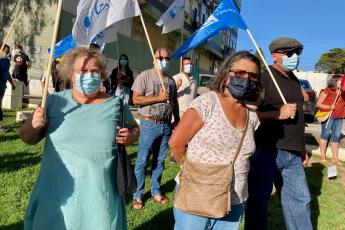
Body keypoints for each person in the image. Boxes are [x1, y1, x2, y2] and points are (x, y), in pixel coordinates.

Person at [20, 48, 139, 230]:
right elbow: (27, 138)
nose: (89, 75)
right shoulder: (52, 102)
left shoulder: (116, 105)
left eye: (94, 71)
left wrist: (131, 136)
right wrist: (34, 125)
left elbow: (134, 129)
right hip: (55, 195)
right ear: (71, 75)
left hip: (99, 198)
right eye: (82, 71)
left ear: (102, 74)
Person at [169, 51, 261, 229]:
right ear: (226, 75)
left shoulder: (252, 116)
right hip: (198, 194)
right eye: (240, 73)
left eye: (253, 76)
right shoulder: (207, 103)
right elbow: (176, 143)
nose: (246, 79)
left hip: (235, 199)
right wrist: (191, 170)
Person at [245, 36, 313, 230]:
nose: (295, 57)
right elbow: (248, 113)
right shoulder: (264, 77)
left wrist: (301, 149)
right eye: (290, 53)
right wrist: (277, 114)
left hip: (292, 154)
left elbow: (298, 120)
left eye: (297, 53)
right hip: (266, 151)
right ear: (275, 56)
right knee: (258, 203)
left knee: (301, 202)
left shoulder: (293, 80)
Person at [131, 47, 180, 209]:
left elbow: (174, 101)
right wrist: (157, 98)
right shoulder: (144, 76)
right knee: (142, 160)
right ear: (154, 60)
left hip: (165, 125)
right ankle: (137, 194)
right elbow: (136, 99)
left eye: (167, 59)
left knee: (159, 162)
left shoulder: (171, 81)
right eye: (161, 58)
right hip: (148, 124)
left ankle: (155, 190)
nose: (164, 61)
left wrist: (177, 118)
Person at [316, 74, 345, 165]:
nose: (341, 82)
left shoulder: (343, 93)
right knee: (325, 134)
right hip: (328, 115)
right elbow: (318, 104)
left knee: (336, 137)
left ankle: (335, 158)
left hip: (339, 117)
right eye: (340, 80)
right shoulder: (327, 91)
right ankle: (322, 156)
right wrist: (329, 107)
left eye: (342, 80)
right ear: (334, 81)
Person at [0, 43, 16, 132]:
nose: (7, 53)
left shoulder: (5, 60)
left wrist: (12, 84)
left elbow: (7, 73)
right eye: (5, 51)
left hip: (2, 85)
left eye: (8, 51)